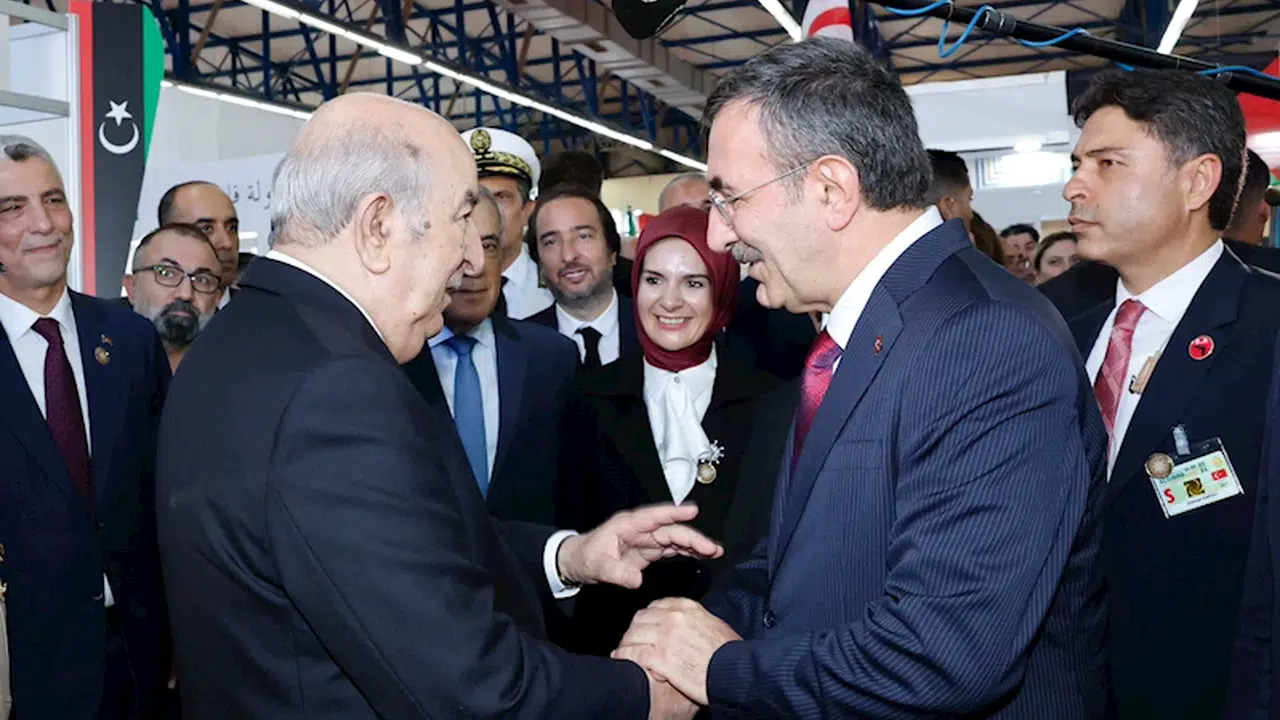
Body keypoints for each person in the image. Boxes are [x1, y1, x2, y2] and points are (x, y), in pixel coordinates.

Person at [154, 93, 717, 719]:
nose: (473, 258)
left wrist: (569, 556)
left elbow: (395, 554)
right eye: (459, 218)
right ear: (378, 226)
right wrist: (645, 695)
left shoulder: (238, 340)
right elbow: (474, 688)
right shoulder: (336, 389)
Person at [613, 37, 1108, 718]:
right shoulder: (862, 333)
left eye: (730, 198)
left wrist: (720, 669)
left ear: (831, 189)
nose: (720, 236)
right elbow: (798, 559)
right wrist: (683, 637)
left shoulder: (984, 340)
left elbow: (944, 652)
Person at [1058, 67, 1280, 719]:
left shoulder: (1268, 330)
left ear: (1198, 181)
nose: (1074, 186)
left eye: (1108, 164)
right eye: (1077, 164)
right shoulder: (1060, 335)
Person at [555, 206, 778, 656]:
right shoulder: (586, 396)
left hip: (735, 659)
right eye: (654, 280)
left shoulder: (770, 402)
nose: (669, 301)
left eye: (693, 283)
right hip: (616, 661)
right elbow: (568, 528)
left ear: (722, 291)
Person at [0, 134, 171, 718]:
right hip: (23, 670)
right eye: (12, 207)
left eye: (53, 199)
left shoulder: (130, 340)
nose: (43, 223)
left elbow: (163, 496)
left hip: (139, 661)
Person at [401, 188, 577, 525]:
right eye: (461, 246)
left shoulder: (552, 359)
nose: (477, 266)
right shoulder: (390, 363)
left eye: (490, 246)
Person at [524, 184, 640, 368]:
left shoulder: (652, 327)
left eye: (583, 236)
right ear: (538, 261)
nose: (568, 256)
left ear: (612, 251)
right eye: (551, 242)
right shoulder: (521, 348)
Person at [460, 127, 554, 319]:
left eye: (502, 197)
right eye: (477, 198)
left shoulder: (557, 285)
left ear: (528, 210)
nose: (491, 211)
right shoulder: (441, 290)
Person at [122, 224, 222, 372]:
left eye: (202, 280)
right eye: (167, 273)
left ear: (217, 298)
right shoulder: (97, 368)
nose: (186, 294)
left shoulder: (241, 372)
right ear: (132, 287)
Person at [157, 181, 240, 307]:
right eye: (206, 229)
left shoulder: (264, 312)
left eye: (231, 228)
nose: (227, 243)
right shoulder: (139, 313)